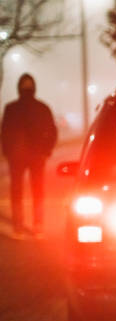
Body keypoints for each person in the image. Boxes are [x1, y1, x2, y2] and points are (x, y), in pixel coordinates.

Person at [1, 73, 57, 239]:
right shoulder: (42, 107)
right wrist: (46, 151)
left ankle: (19, 225)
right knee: (37, 190)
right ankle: (37, 224)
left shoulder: (11, 108)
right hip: (36, 155)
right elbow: (52, 131)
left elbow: (5, 133)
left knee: (17, 191)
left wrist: (8, 152)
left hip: (18, 156)